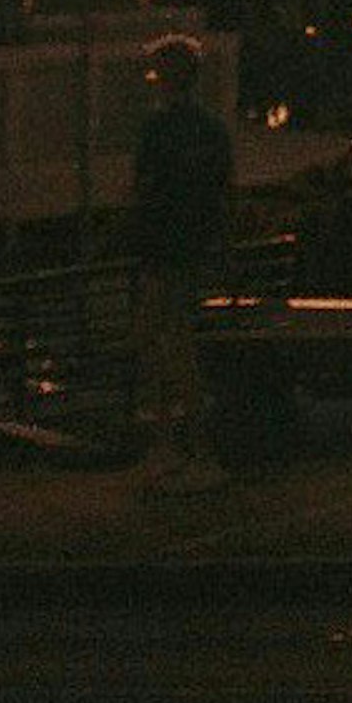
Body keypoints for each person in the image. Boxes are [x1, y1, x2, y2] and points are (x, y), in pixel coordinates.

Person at [126, 38, 236, 485]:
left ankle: (170, 443)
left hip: (162, 248)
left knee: (157, 342)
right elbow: (225, 191)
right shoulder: (212, 129)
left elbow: (143, 189)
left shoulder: (158, 128)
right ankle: (191, 445)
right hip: (196, 247)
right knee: (180, 341)